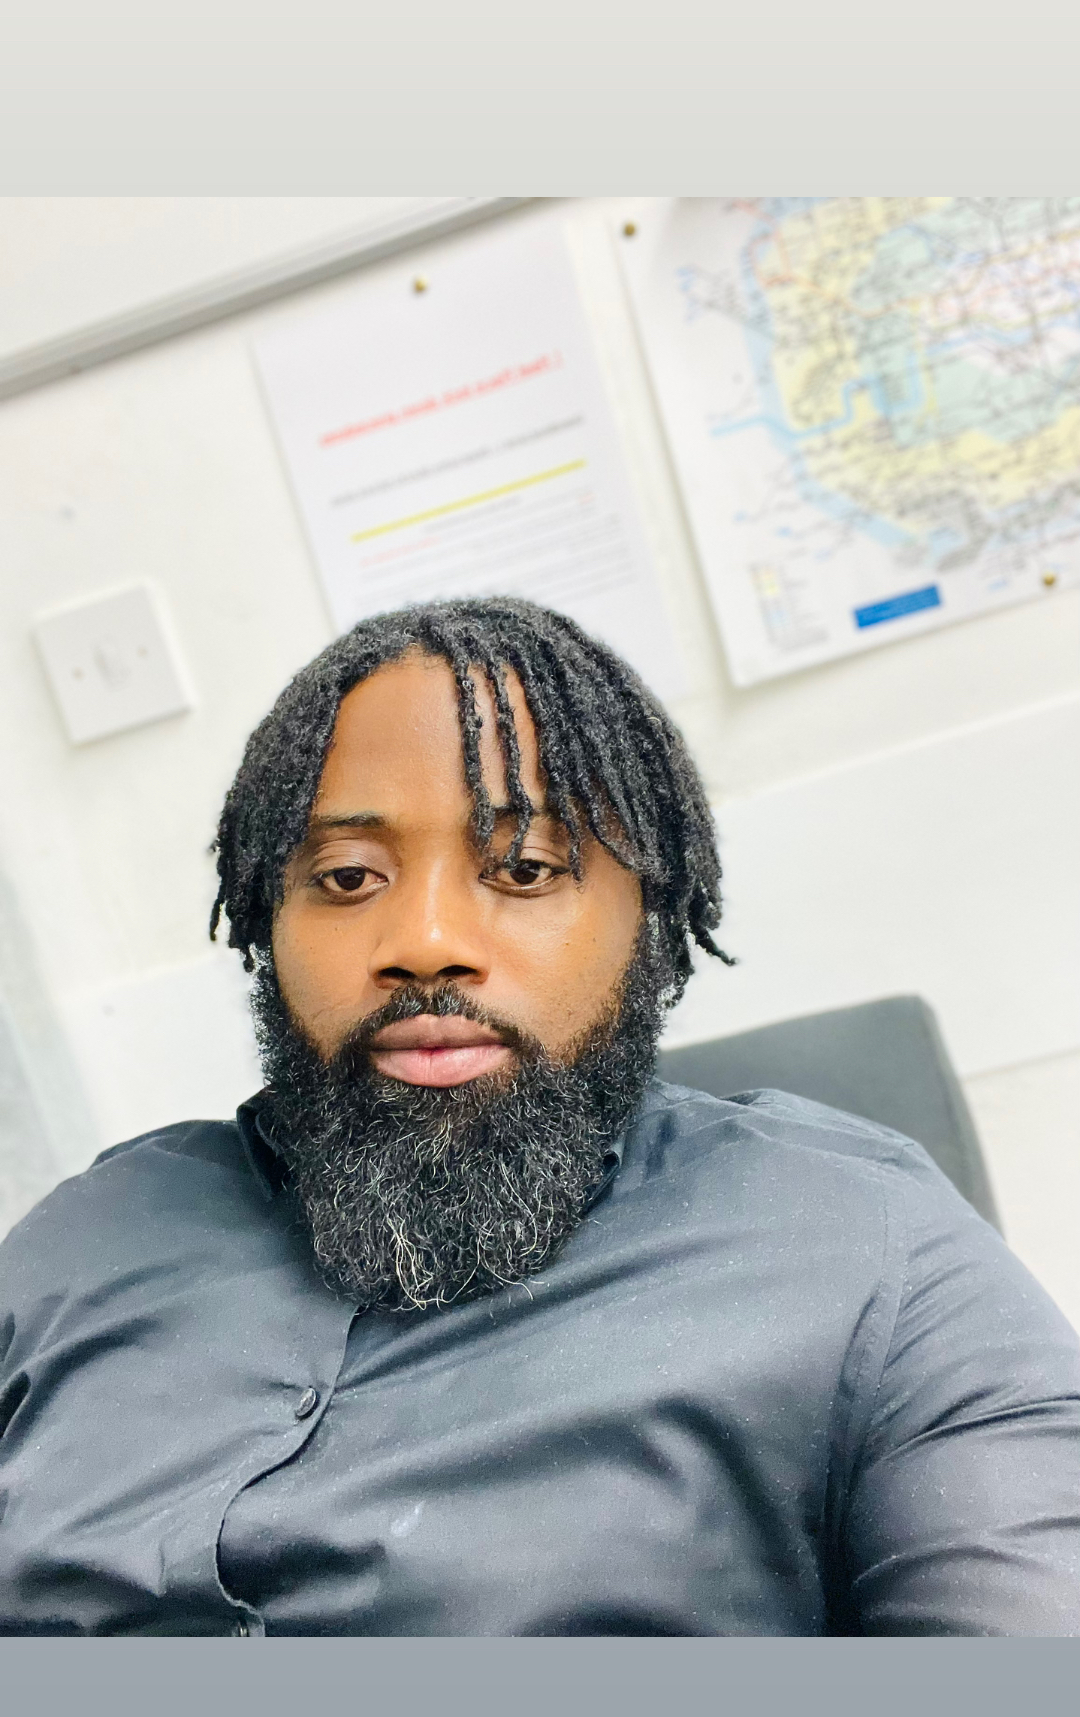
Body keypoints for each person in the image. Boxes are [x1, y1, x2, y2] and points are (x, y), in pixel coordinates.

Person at [1, 597, 1078, 1637]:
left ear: (649, 920)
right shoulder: (79, 1244)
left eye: (523, 867)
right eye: (347, 877)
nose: (424, 940)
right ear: (265, 921)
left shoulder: (868, 1247)